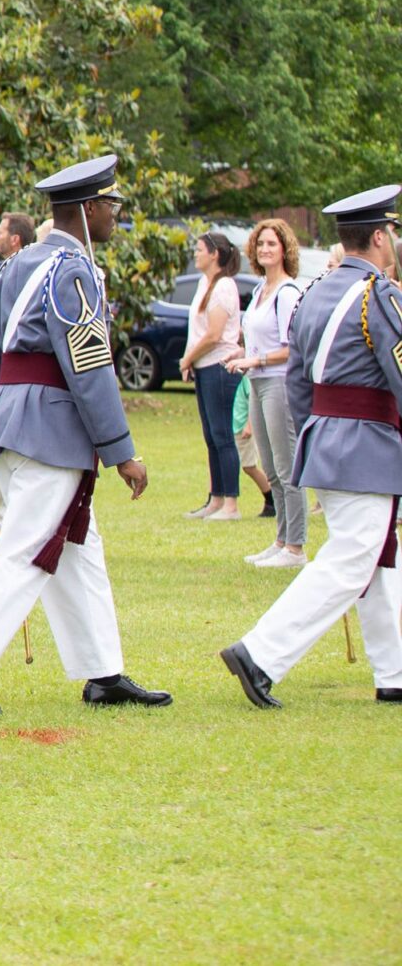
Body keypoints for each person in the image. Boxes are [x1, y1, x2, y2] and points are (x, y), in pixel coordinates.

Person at [0, 154, 169, 717]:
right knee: (27, 552)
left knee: (79, 550)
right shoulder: (73, 270)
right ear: (86, 208)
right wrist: (121, 450)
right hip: (50, 424)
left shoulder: (18, 264)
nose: (115, 213)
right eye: (110, 204)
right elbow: (90, 364)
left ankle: (103, 673)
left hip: (14, 414)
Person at [222, 186, 402, 709]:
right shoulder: (380, 294)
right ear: (377, 236)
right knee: (353, 558)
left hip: (325, 436)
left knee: (378, 558)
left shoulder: (317, 290)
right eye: (389, 232)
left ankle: (393, 670)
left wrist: (313, 431)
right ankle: (260, 653)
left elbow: (298, 381)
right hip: (365, 443)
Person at [228, 218, 307, 568]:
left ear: (284, 249)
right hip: (257, 380)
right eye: (261, 244)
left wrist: (254, 359)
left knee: (287, 465)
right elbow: (256, 335)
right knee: (271, 467)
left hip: (278, 381)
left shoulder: (288, 293)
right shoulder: (260, 289)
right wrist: (241, 354)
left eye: (272, 244)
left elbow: (294, 348)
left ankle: (296, 547)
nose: (265, 250)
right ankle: (280, 539)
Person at [180, 230, 244, 521]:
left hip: (220, 367)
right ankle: (215, 498)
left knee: (223, 435)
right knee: (211, 436)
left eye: (200, 249)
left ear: (214, 254)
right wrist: (191, 360)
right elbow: (197, 330)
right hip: (204, 367)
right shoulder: (204, 283)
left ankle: (231, 503)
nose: (196, 253)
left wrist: (187, 358)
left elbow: (215, 334)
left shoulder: (224, 286)